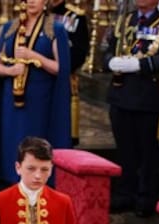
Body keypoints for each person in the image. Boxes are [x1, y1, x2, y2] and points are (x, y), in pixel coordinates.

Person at [103, 0, 159, 217]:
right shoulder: (126, 19)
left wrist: (141, 65)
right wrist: (110, 61)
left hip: (147, 95)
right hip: (121, 94)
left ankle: (145, 197)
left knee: (147, 151)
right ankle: (125, 193)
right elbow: (109, 47)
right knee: (125, 149)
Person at [0, 0, 72, 187]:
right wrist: (10, 71)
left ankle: (36, 182)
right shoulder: (10, 27)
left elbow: (61, 68)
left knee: (34, 143)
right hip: (11, 101)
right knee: (11, 141)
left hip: (39, 102)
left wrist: (35, 56)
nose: (31, 1)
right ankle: (8, 181)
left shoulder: (55, 29)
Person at [51, 0, 90, 145]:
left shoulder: (75, 16)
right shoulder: (39, 13)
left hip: (62, 78)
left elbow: (79, 51)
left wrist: (61, 66)